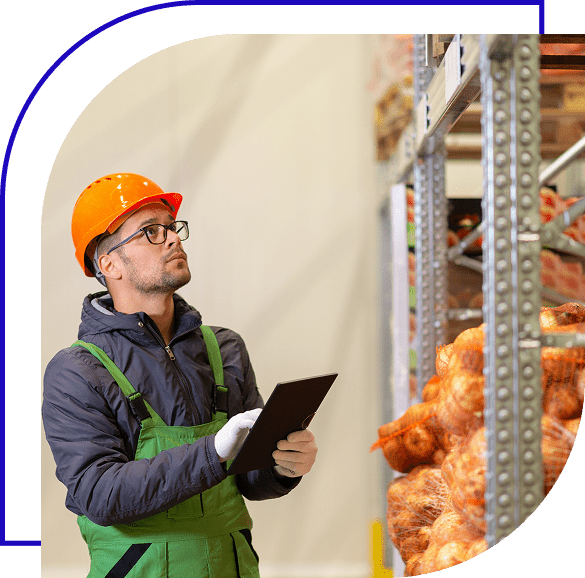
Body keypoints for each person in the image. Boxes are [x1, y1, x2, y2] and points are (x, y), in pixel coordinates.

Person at [42, 173, 318, 578]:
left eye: (172, 227)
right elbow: (100, 494)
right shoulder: (78, 371)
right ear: (109, 264)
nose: (172, 239)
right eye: (150, 232)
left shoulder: (224, 349)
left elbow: (248, 479)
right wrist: (212, 451)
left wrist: (282, 466)